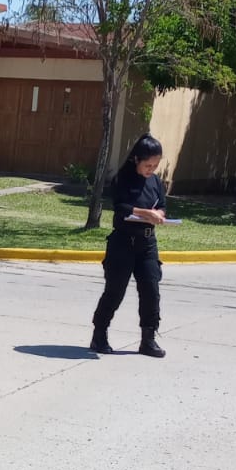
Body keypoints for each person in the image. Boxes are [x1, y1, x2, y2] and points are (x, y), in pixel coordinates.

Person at [90, 134, 169, 358]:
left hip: (147, 243)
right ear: (137, 159)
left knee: (151, 290)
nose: (151, 169)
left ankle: (148, 339)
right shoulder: (122, 179)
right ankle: (99, 334)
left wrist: (160, 215)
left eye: (155, 165)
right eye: (147, 165)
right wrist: (146, 213)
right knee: (115, 291)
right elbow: (122, 207)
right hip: (123, 243)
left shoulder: (154, 181)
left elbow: (162, 205)